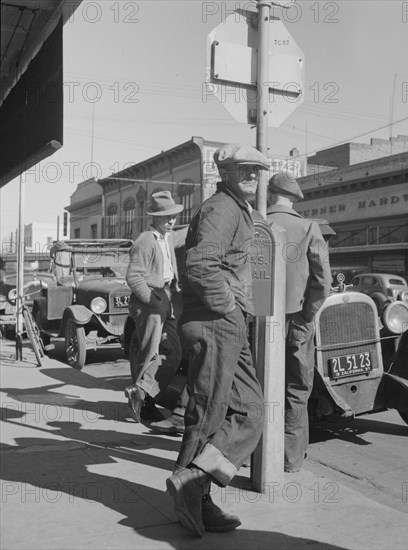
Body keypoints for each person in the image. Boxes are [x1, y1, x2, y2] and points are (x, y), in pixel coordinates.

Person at [165, 143, 270, 537]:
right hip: (216, 322)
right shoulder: (222, 207)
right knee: (207, 415)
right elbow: (201, 264)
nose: (251, 175)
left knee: (251, 412)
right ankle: (193, 495)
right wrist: (227, 307)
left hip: (226, 323)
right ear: (224, 172)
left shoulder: (234, 208)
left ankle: (194, 482)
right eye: (242, 169)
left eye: (257, 170)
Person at [266, 172, 332, 473]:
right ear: (293, 198)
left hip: (261, 319)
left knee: (260, 384)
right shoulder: (308, 228)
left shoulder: (255, 224)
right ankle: (290, 459)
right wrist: (307, 314)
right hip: (297, 319)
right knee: (296, 388)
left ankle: (259, 455)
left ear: (269, 195)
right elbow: (322, 281)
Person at [124, 190, 187, 434]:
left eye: (173, 216)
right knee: (151, 352)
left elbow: (183, 234)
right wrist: (152, 301)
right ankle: (145, 404)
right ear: (155, 217)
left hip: (166, 297)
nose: (171, 220)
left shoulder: (167, 237)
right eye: (166, 217)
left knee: (173, 351)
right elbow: (133, 276)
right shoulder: (145, 240)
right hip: (151, 300)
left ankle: (141, 391)